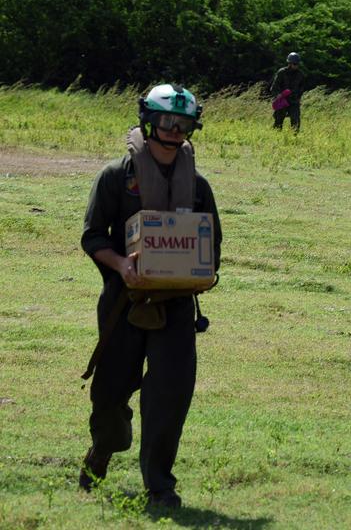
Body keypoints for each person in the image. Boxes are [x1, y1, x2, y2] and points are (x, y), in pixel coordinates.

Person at [79, 84, 222, 509]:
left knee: (170, 396)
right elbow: (92, 237)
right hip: (123, 304)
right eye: (167, 122)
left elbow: (211, 248)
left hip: (176, 309)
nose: (175, 131)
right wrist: (123, 266)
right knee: (108, 395)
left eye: (185, 124)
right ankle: (102, 451)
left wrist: (199, 277)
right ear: (149, 121)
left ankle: (159, 485)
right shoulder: (114, 178)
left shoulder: (197, 186)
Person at [270, 52, 305, 132]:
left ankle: (294, 139)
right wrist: (277, 95)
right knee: (278, 121)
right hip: (282, 100)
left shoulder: (300, 75)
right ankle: (276, 137)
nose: (296, 66)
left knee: (295, 121)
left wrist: (299, 97)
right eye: (294, 64)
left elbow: (301, 88)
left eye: (297, 64)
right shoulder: (281, 72)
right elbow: (274, 87)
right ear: (289, 63)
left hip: (294, 101)